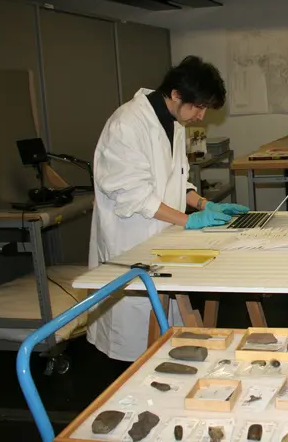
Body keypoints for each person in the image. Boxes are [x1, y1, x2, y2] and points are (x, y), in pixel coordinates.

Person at [86, 55, 249, 361]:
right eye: (198, 107)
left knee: (162, 331)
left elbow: (177, 179)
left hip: (162, 238)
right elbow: (136, 196)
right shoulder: (126, 124)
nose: (201, 116)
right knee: (134, 343)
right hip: (131, 239)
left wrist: (204, 203)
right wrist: (189, 222)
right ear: (176, 94)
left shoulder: (173, 121)